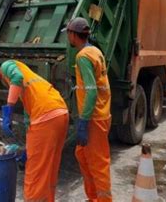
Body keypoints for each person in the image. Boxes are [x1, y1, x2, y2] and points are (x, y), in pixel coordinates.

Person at [0, 60, 69, 202]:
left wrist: (8, 109)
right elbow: (29, 122)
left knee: (34, 173)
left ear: (1, 76)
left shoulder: (6, 66)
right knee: (49, 168)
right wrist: (28, 150)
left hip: (45, 116)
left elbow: (16, 78)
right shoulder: (31, 81)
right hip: (60, 112)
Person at [65, 17, 113, 202]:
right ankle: (93, 197)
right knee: (82, 155)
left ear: (73, 34)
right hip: (100, 114)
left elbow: (92, 92)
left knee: (98, 164)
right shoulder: (95, 51)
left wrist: (84, 121)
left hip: (94, 118)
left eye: (68, 33)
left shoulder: (83, 57)